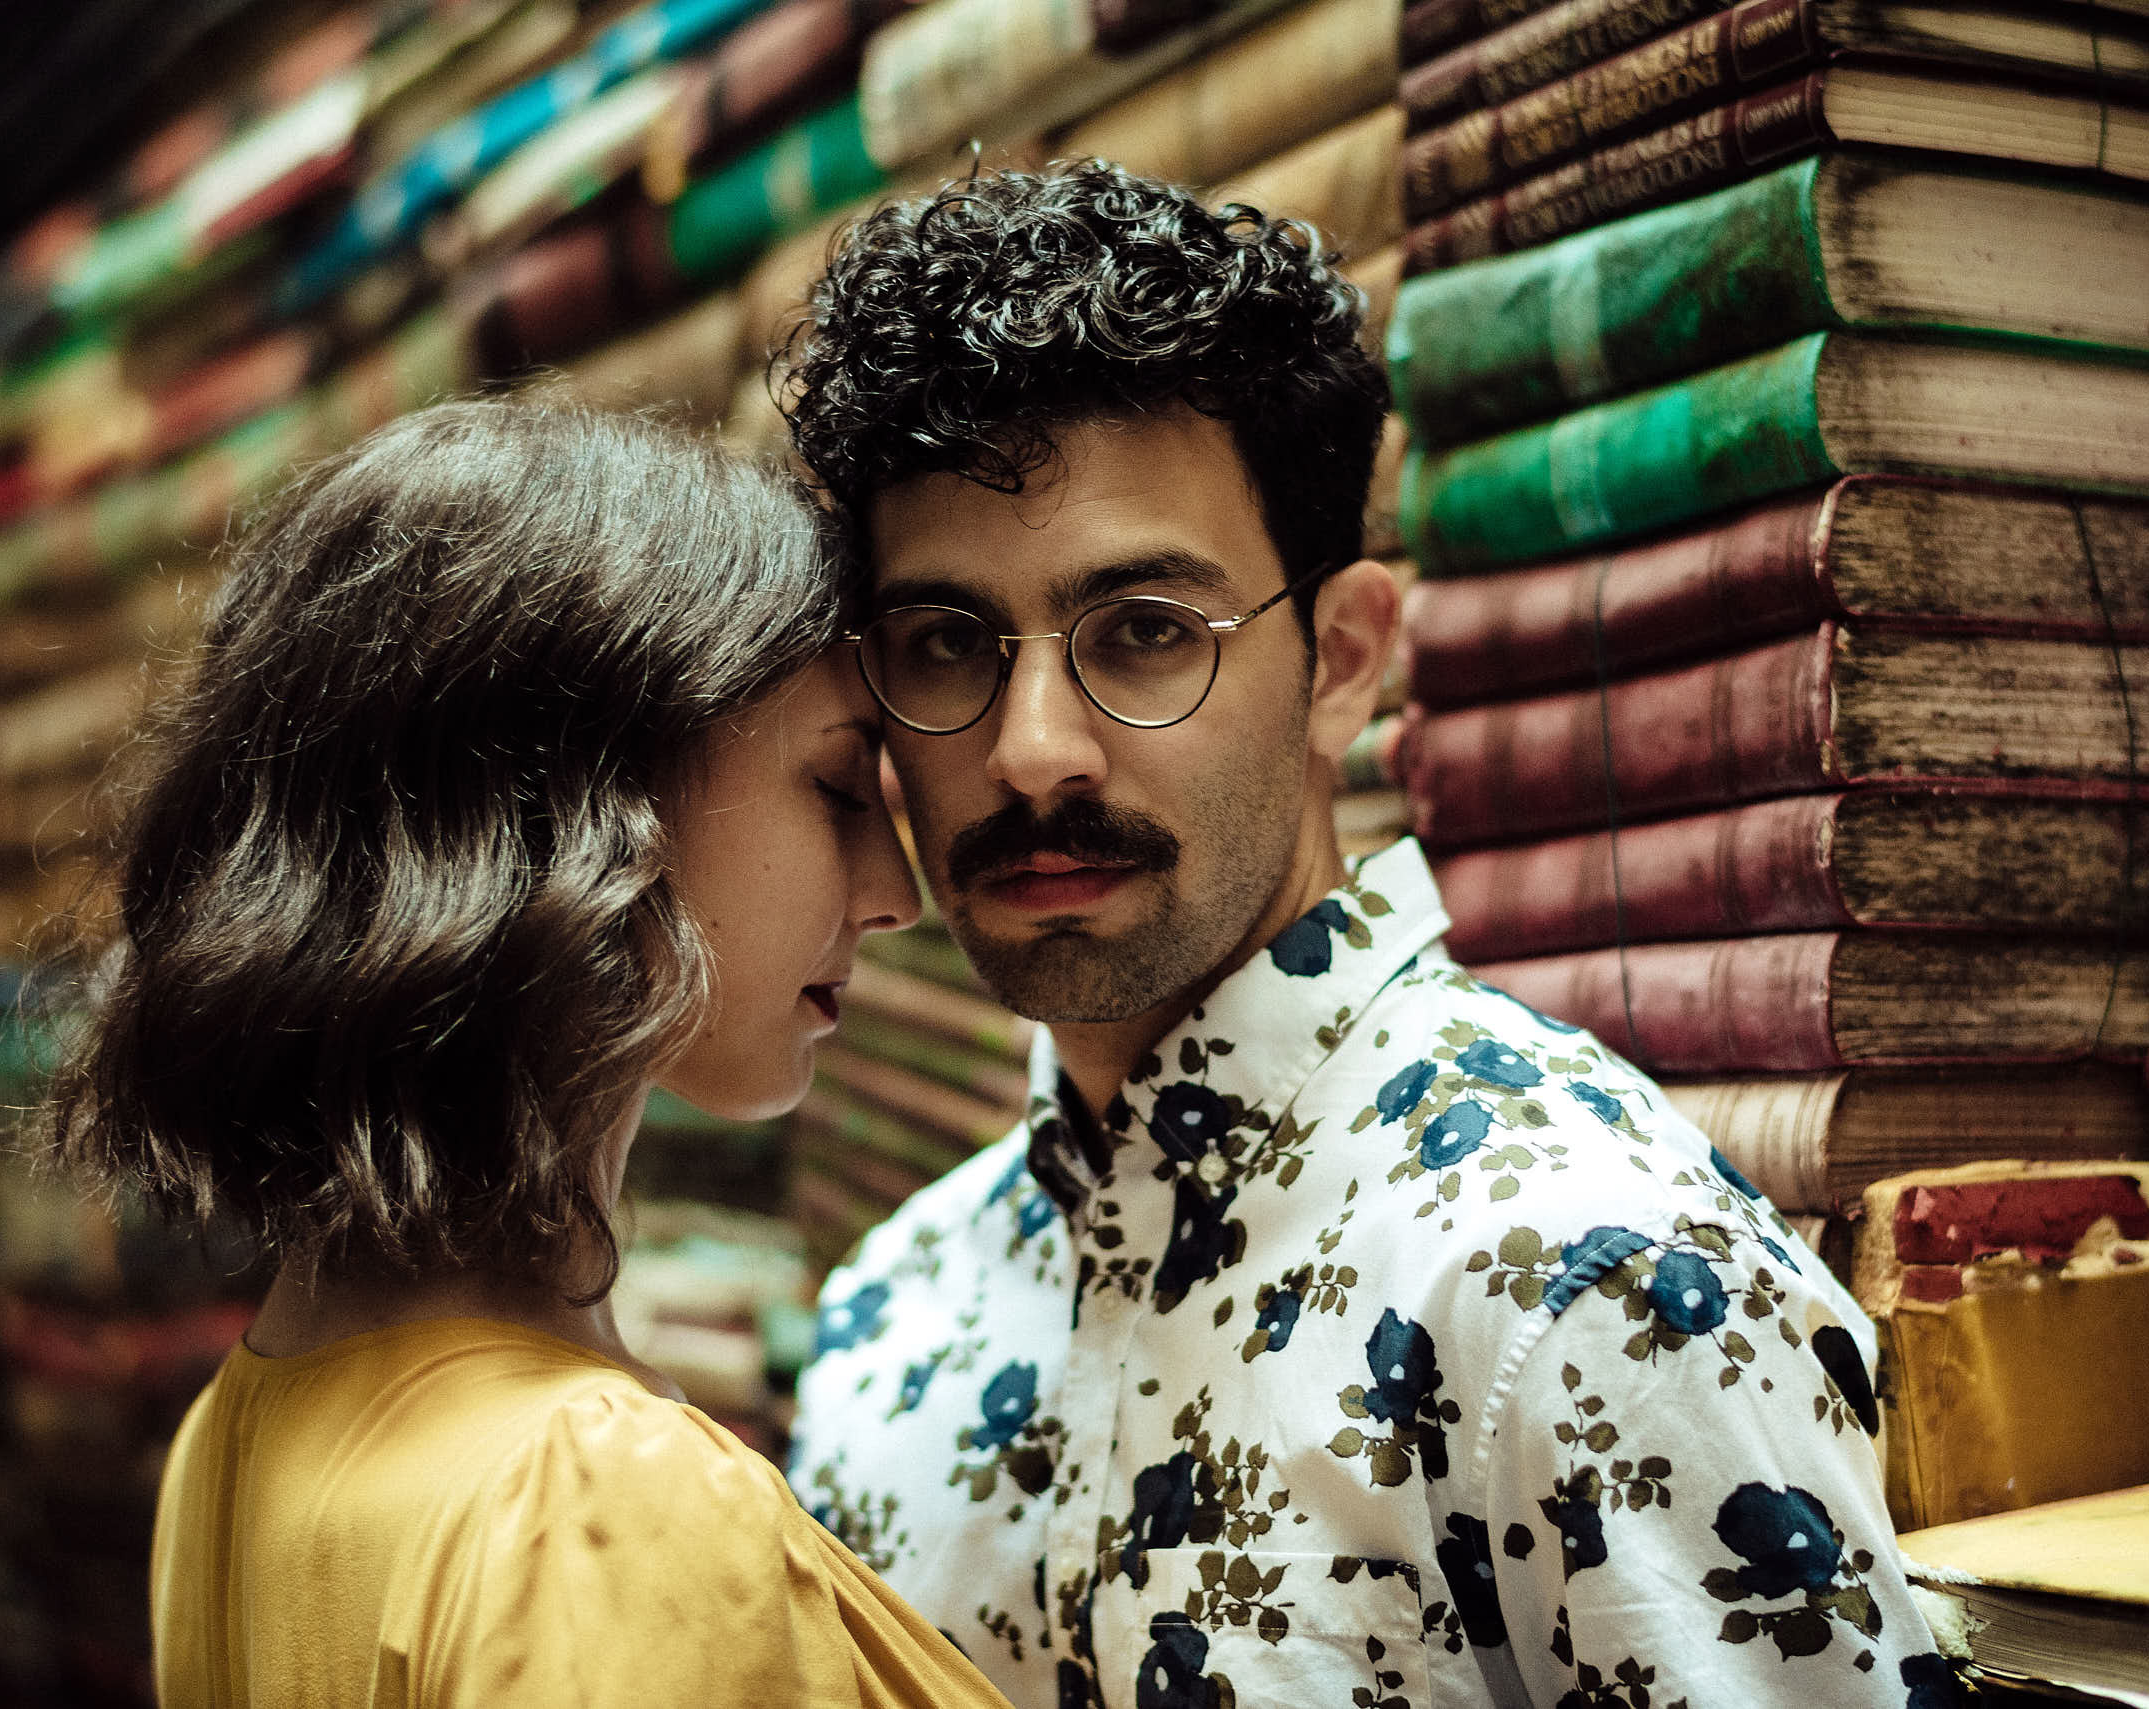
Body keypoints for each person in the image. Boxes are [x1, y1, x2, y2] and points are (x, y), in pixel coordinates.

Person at [779, 165, 1961, 1709]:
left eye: (1144, 629)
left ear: (1340, 663)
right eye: (948, 644)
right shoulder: (886, 1321)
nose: (1034, 750)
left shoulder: (1580, 1279)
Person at [39, 401, 1009, 1709]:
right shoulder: (595, 1495)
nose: (897, 889)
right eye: (836, 790)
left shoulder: (240, 1424)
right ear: (581, 808)